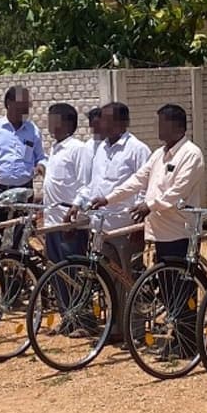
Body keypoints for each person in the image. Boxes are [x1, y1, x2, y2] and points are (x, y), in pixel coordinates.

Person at [92, 104, 204, 357]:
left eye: (161, 123)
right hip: (160, 232)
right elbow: (136, 180)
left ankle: (188, 342)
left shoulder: (191, 154)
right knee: (167, 289)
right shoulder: (159, 154)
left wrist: (149, 206)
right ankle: (177, 338)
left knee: (183, 288)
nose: (157, 128)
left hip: (181, 232)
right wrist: (108, 198)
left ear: (177, 125)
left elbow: (178, 192)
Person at [71, 101, 151, 341]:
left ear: (121, 122)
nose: (101, 123)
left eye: (106, 119)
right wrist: (78, 204)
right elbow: (92, 185)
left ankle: (135, 332)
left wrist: (140, 225)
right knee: (109, 280)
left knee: (130, 280)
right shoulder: (101, 150)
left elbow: (144, 187)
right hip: (102, 228)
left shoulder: (137, 149)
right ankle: (115, 328)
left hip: (126, 227)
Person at [41, 103, 91, 263]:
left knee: (70, 268)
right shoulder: (55, 148)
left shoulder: (78, 149)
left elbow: (86, 184)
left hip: (69, 223)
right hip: (52, 221)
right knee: (54, 269)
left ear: (67, 123)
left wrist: (75, 209)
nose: (49, 125)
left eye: (53, 120)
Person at [0, 86, 46, 194]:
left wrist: (41, 165)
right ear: (9, 103)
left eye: (27, 105)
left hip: (25, 189)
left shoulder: (33, 130)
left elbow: (41, 157)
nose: (25, 108)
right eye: (21, 104)